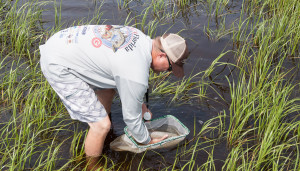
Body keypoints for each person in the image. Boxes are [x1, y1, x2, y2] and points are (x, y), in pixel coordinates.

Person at [39, 25, 189, 159]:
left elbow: (123, 75)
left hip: (61, 41)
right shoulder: (136, 72)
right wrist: (147, 141)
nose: (167, 72)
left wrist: (140, 105)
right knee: (101, 125)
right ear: (162, 55)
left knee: (109, 88)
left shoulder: (139, 36)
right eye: (170, 67)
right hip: (58, 64)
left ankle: (100, 127)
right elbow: (131, 119)